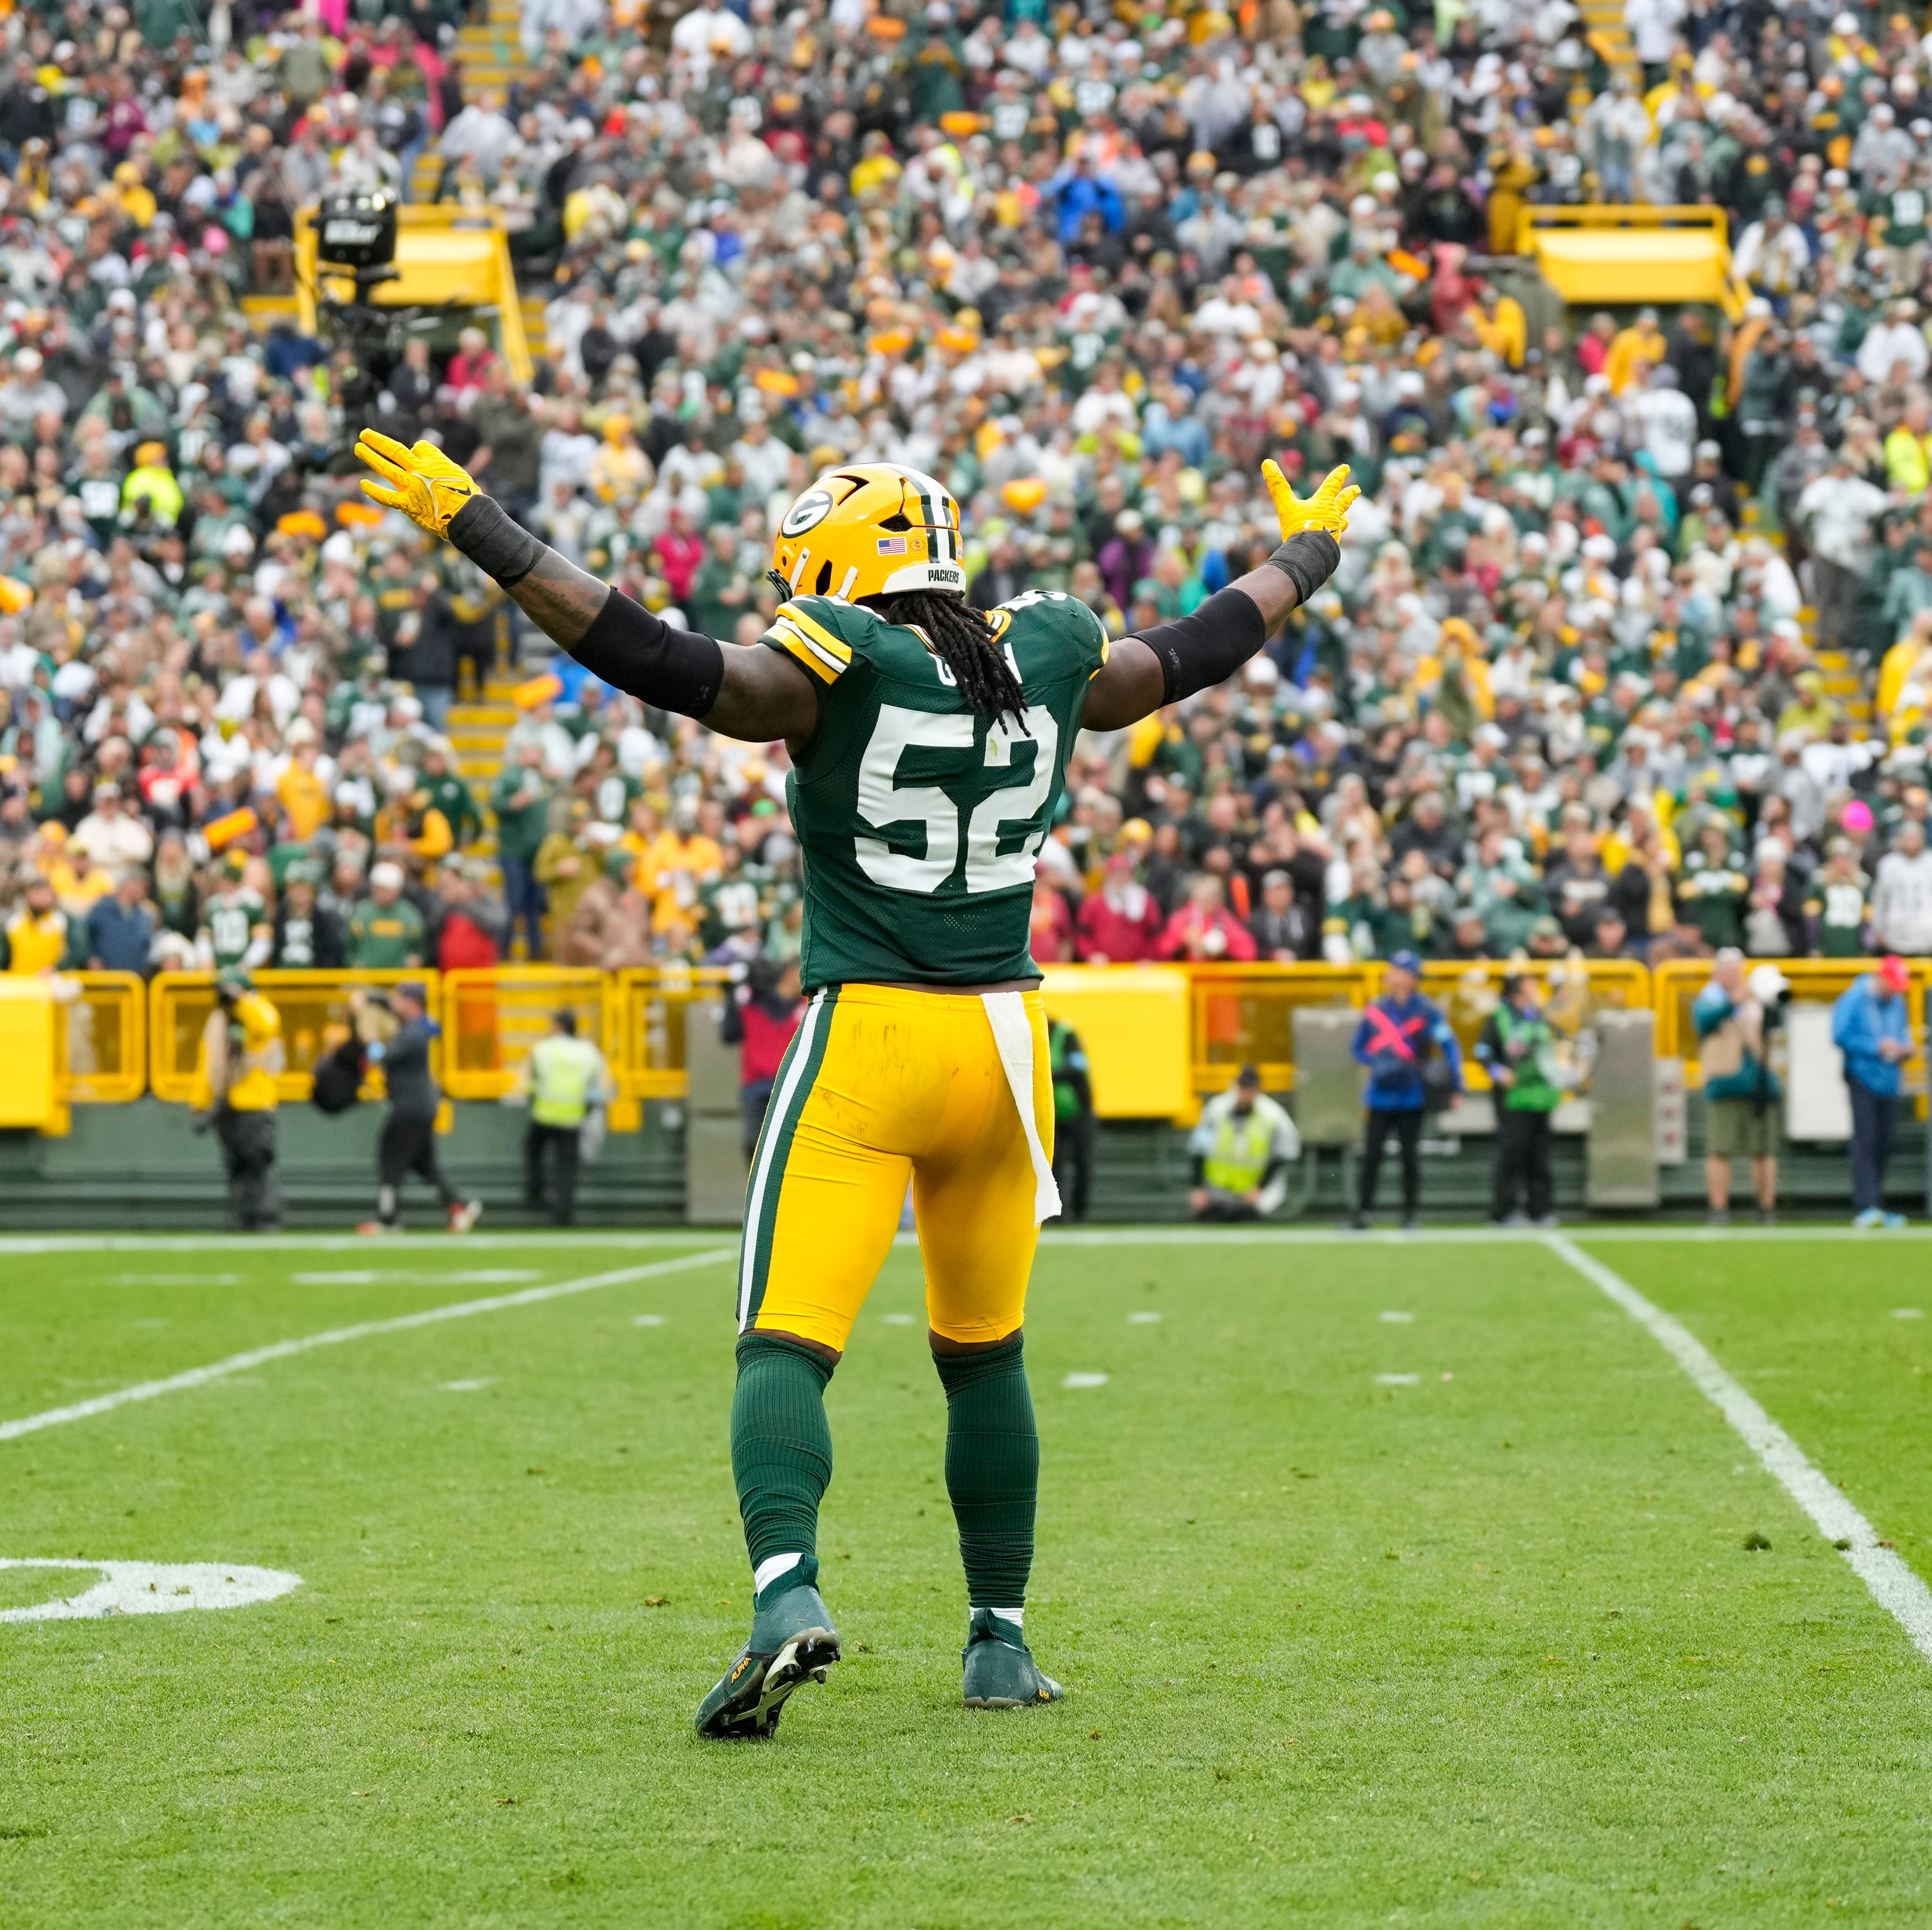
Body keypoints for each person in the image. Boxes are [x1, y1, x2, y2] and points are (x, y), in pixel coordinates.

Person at [356, 429, 1355, 1732]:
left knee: (784, 1341)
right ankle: (997, 1639)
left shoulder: (839, 665)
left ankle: (787, 1594)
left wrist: (480, 528)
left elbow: (656, 659)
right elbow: (1195, 651)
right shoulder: (1045, 649)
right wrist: (1309, 553)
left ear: (840, 560)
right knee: (984, 1355)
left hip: (872, 1034)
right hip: (1005, 1049)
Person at [1347, 949, 1460, 1231]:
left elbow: (1448, 1045)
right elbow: (1357, 1046)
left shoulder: (1426, 1010)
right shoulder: (1376, 1009)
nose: (1392, 976)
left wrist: (1454, 1083)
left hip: (1411, 1093)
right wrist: (1375, 1063)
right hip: (1380, 1094)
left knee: (1410, 1157)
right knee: (1371, 1157)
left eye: (1399, 971)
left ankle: (1410, 1214)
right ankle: (1363, 1213)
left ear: (1412, 978)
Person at [358, 979, 479, 1235]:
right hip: (420, 1105)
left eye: (399, 998)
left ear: (412, 1003)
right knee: (425, 1164)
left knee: (389, 1159)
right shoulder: (417, 1027)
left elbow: (381, 1056)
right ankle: (459, 1207)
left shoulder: (413, 1033)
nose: (394, 1003)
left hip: (410, 1106)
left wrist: (368, 1035)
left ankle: (387, 1218)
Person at [1694, 950, 1783, 1226]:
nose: (1736, 976)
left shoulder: (1758, 997)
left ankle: (1766, 1206)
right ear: (1718, 972)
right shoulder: (1709, 998)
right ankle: (1719, 1208)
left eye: (1738, 970)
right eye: (1730, 970)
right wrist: (1736, 1000)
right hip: (1726, 1081)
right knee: (1720, 1149)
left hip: (1760, 1080)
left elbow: (1776, 1028)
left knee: (1764, 1150)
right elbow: (1704, 1022)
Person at [194, 970, 284, 1233]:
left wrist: (240, 1001)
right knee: (236, 1167)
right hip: (228, 1104)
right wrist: (201, 1099)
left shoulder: (259, 1011)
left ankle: (266, 1220)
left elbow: (265, 1025)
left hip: (256, 1102)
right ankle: (244, 1220)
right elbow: (210, 1062)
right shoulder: (220, 1020)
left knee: (258, 1164)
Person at [1830, 956, 1915, 1228]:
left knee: (1884, 1144)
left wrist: (1904, 1048)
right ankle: (1866, 1204)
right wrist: (1876, 1046)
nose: (1896, 991)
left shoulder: (1898, 1002)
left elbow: (1902, 1033)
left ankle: (1876, 1202)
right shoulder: (1855, 998)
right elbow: (1839, 1035)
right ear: (1882, 978)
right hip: (1863, 1077)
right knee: (1866, 1141)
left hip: (1890, 1080)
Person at [1476, 973, 1563, 1227]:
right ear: (1517, 991)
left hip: (1541, 1096)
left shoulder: (1538, 1016)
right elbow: (1482, 1051)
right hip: (1512, 1098)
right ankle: (1503, 1211)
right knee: (1512, 1155)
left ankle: (1540, 1210)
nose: (1535, 987)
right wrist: (1498, 1072)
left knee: (1540, 1156)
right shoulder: (1499, 1018)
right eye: (1530, 984)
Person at [513, 1007, 611, 1227]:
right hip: (573, 1116)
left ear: (558, 1026)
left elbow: (529, 1081)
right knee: (567, 1167)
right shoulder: (589, 1051)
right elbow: (599, 1086)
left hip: (545, 1113)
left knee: (533, 1150)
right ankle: (564, 1215)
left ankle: (536, 1193)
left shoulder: (543, 1049)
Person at [1187, 1064, 1298, 1221]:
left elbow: (1285, 1154)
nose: (1246, 1094)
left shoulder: (1273, 1116)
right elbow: (1198, 1150)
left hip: (1253, 1196)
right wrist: (1198, 1189)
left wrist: (1259, 1189)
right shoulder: (1216, 1110)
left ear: (1258, 1090)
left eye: (1250, 1089)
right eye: (1243, 1088)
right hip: (1216, 1194)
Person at [723, 958, 802, 1155]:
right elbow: (729, 1034)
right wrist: (732, 997)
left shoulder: (807, 1005)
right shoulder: (751, 1003)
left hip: (791, 1086)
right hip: (756, 1086)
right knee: (754, 1147)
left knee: (790, 1149)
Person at [1047, 1013, 1095, 1222]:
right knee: (1053, 1165)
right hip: (1051, 1115)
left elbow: (1078, 1068)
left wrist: (1047, 1074)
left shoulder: (1066, 1036)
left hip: (1079, 1113)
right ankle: (1055, 1214)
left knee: (1082, 1163)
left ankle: (1079, 1213)